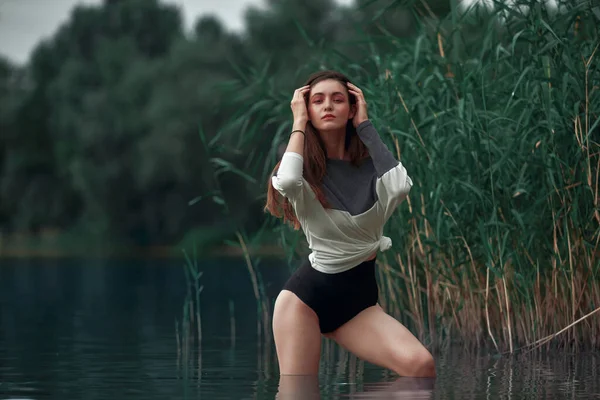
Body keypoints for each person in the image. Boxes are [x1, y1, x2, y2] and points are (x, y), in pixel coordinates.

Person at [265, 70, 436, 378]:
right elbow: (287, 180)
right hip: (305, 301)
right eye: (317, 101)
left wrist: (365, 127)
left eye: (338, 99)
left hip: (359, 302)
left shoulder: (373, 166)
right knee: (299, 395)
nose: (328, 106)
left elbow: (399, 187)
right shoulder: (302, 169)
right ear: (307, 109)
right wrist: (298, 123)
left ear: (352, 108)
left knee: (421, 368)